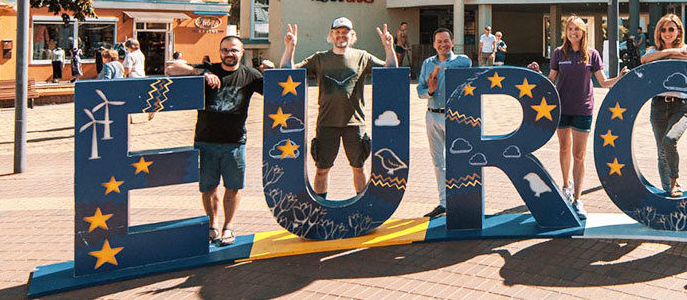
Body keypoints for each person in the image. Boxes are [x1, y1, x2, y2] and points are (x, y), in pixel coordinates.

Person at [166, 35, 270, 246]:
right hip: (205, 141)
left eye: (234, 50)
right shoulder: (208, 70)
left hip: (235, 142)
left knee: (233, 187)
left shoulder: (250, 75)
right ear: (219, 51)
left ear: (242, 52)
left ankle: (228, 227)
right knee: (208, 187)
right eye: (225, 50)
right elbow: (171, 68)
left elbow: (277, 90)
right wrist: (201, 73)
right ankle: (213, 226)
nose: (229, 54)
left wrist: (272, 71)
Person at [280, 17, 398, 200]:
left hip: (355, 123)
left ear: (352, 36)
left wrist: (388, 46)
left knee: (359, 168)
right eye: (337, 32)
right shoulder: (320, 58)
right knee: (321, 170)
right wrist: (290, 48)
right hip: (327, 123)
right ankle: (320, 207)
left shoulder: (362, 57)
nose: (341, 35)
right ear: (331, 35)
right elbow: (287, 70)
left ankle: (362, 205)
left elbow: (391, 69)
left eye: (345, 32)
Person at [526, 16, 623, 219]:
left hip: (583, 109)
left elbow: (603, 83)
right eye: (570, 29)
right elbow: (550, 82)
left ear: (583, 32)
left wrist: (621, 78)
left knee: (579, 155)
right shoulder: (558, 53)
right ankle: (565, 186)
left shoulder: (592, 55)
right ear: (566, 32)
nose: (573, 32)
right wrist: (536, 74)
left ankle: (578, 199)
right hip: (562, 108)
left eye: (577, 29)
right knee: (564, 148)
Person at [640, 13, 687, 197]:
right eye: (664, 29)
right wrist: (671, 53)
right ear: (659, 32)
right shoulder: (653, 51)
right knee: (661, 152)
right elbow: (644, 60)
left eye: (671, 29)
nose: (667, 33)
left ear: (678, 31)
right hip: (658, 105)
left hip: (681, 106)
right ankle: (667, 192)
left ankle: (675, 182)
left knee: (670, 140)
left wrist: (677, 51)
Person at [416, 28, 472, 218]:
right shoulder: (427, 63)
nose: (443, 44)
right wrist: (430, 91)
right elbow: (420, 90)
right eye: (439, 41)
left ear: (452, 42)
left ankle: (460, 199)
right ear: (434, 44)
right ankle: (443, 202)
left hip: (453, 116)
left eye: (446, 41)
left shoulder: (462, 62)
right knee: (438, 161)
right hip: (432, 115)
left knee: (457, 159)